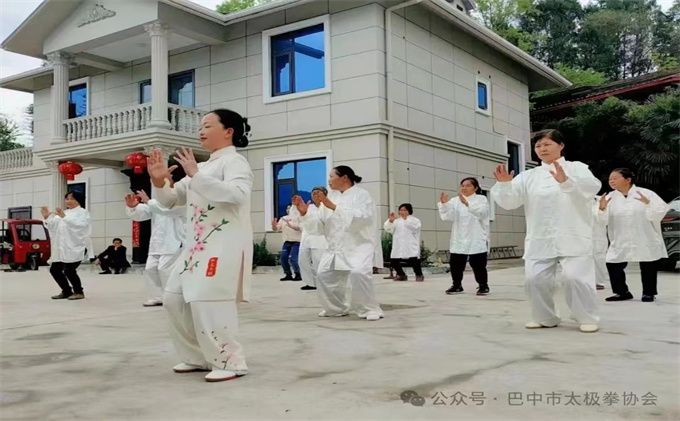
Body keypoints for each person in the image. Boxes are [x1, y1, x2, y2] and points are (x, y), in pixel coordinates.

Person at [147, 108, 253, 382]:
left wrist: (196, 174)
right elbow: (170, 200)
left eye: (207, 126)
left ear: (228, 131)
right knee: (173, 299)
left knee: (210, 301)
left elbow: (238, 195)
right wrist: (159, 180)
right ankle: (198, 357)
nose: (201, 131)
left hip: (222, 245)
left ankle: (231, 362)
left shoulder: (235, 162)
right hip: (195, 249)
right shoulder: (203, 168)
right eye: (200, 127)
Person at [491, 129, 601, 333]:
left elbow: (591, 188)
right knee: (534, 279)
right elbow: (509, 202)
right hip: (540, 236)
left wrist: (566, 181)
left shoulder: (577, 168)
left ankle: (586, 316)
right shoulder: (528, 176)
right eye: (538, 145)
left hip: (573, 233)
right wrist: (505, 185)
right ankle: (545, 317)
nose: (542, 149)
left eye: (547, 144)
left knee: (575, 277)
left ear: (561, 145)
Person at [294, 165, 384, 321]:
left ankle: (369, 309)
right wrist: (305, 213)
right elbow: (319, 227)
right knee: (324, 275)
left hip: (358, 245)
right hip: (335, 247)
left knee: (358, 273)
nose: (328, 180)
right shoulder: (332, 197)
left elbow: (363, 219)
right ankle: (336, 308)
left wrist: (334, 207)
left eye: (331, 176)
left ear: (344, 178)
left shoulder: (362, 195)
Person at [598, 168, 669, 302]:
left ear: (628, 180)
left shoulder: (646, 193)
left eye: (615, 178)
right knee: (613, 263)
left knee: (648, 263)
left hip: (644, 236)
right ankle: (622, 292)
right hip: (620, 237)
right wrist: (602, 208)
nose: (611, 181)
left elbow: (660, 212)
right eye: (610, 179)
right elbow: (601, 221)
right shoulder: (609, 198)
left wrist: (648, 203)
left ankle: (648, 293)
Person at [126, 189, 185, 307]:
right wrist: (133, 207)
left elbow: (166, 210)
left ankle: (172, 296)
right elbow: (141, 214)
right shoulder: (156, 203)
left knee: (165, 270)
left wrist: (149, 202)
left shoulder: (179, 200)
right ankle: (158, 297)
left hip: (172, 243)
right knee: (150, 268)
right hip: (156, 243)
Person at [438, 177, 490, 295]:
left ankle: (483, 285)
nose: (464, 188)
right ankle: (457, 285)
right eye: (462, 185)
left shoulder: (481, 199)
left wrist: (467, 204)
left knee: (478, 263)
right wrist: (444, 204)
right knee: (456, 263)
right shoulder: (455, 200)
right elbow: (447, 217)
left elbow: (482, 213)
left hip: (475, 235)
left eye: (468, 185)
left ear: (475, 188)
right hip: (459, 236)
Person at [41, 191, 91, 300]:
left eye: (71, 199)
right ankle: (67, 291)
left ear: (78, 200)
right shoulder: (64, 212)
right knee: (54, 269)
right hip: (61, 248)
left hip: (75, 247)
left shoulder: (83, 212)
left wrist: (64, 217)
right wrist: (47, 218)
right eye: (67, 199)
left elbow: (81, 226)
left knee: (69, 270)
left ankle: (79, 292)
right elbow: (53, 227)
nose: (68, 201)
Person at [297, 187, 329, 291]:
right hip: (306, 237)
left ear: (324, 194)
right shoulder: (309, 206)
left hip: (320, 238)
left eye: (317, 193)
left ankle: (322, 283)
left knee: (318, 262)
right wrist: (302, 213)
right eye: (313, 193)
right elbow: (301, 221)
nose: (315, 195)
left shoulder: (327, 207)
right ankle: (310, 283)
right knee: (302, 261)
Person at [384, 203, 423, 282]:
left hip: (410, 244)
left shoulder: (415, 220)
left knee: (414, 260)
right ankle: (401, 275)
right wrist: (390, 221)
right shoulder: (396, 221)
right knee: (394, 260)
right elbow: (388, 229)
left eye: (405, 210)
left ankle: (419, 275)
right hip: (398, 244)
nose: (402, 212)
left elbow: (415, 228)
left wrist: (406, 220)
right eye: (401, 210)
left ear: (409, 211)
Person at [271, 204, 302, 281]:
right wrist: (274, 226)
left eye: (290, 208)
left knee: (293, 258)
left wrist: (291, 225)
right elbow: (276, 229)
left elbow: (300, 228)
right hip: (287, 242)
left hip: (297, 242)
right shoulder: (283, 219)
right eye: (287, 208)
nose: (288, 210)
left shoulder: (299, 217)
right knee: (283, 258)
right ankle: (288, 274)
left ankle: (298, 274)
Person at [592, 196, 608, 291]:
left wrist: (601, 209)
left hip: (597, 237)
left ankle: (598, 282)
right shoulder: (575, 198)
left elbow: (605, 221)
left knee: (599, 259)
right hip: (579, 236)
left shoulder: (600, 200)